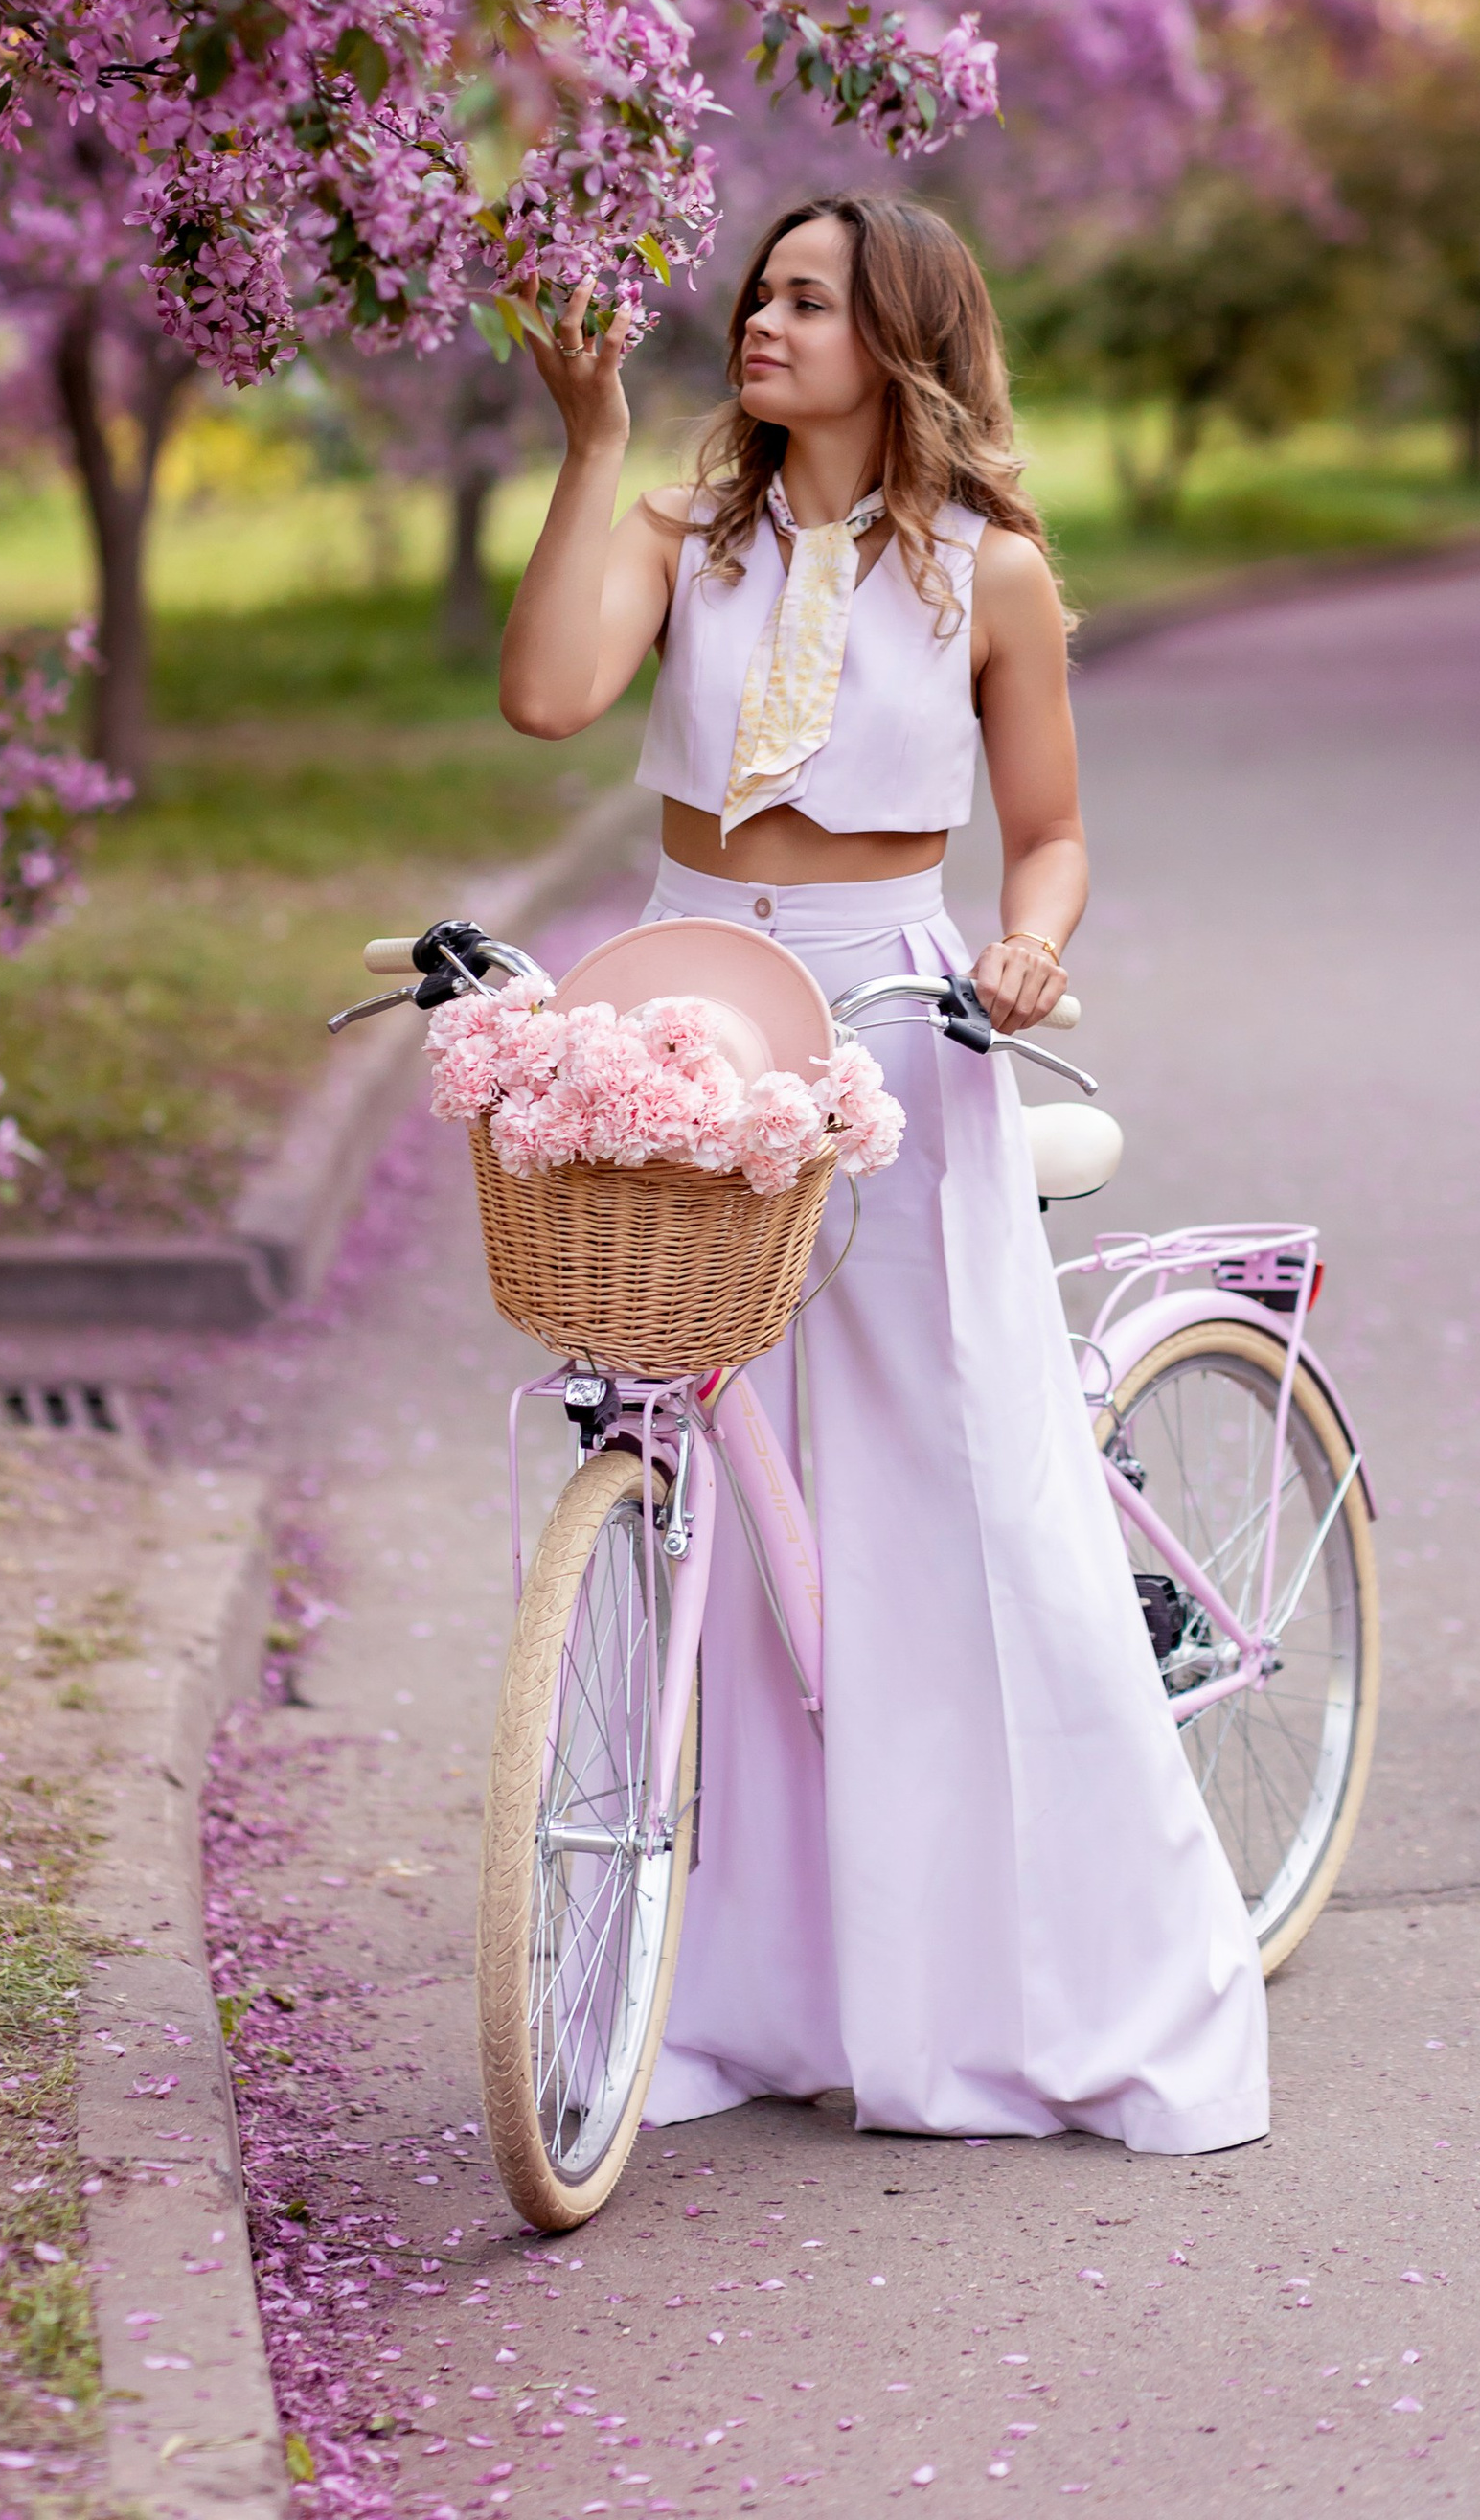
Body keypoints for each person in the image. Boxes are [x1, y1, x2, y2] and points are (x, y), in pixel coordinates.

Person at [497, 193, 1267, 2156]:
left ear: (894, 335)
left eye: (807, 299)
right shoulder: (686, 536)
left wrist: (1028, 941)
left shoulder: (986, 573)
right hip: (688, 998)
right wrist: (590, 446)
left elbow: (1054, 832)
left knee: (955, 1505)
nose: (760, 320)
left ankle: (1017, 1981)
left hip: (900, 1024)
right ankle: (751, 1986)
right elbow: (544, 700)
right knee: (700, 1466)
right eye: (756, 292)